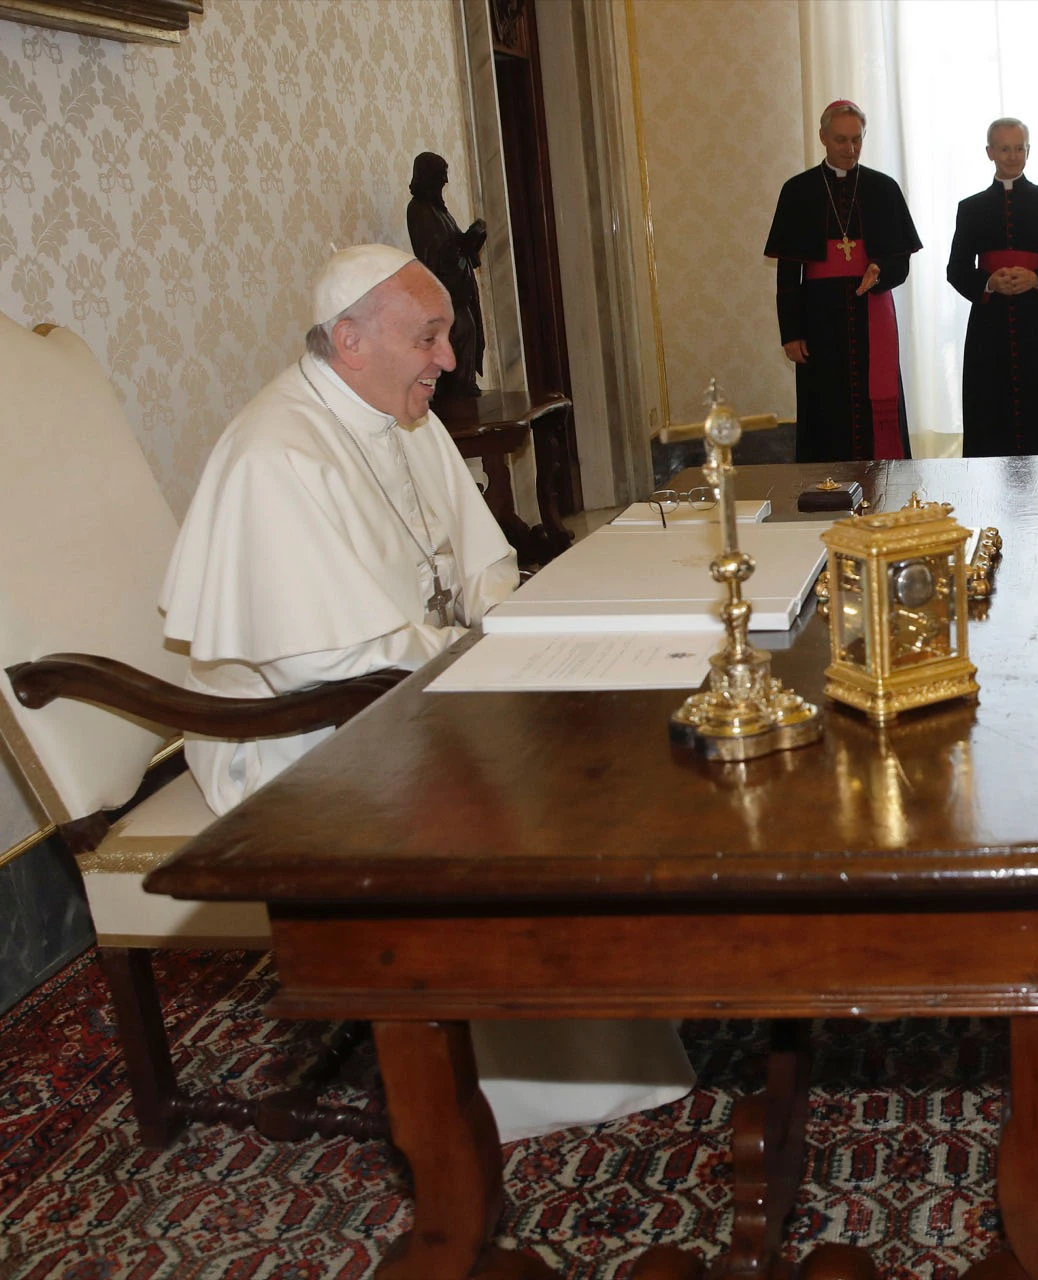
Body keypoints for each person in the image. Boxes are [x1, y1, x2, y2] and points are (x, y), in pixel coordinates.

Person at [160, 244, 694, 1141]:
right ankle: (528, 1081)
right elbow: (321, 665)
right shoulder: (275, 455)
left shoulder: (401, 417)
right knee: (520, 786)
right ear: (351, 339)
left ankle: (622, 998)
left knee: (606, 728)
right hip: (301, 741)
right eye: (431, 338)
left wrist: (511, 638)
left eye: (446, 337)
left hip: (411, 687)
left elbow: (483, 569)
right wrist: (486, 663)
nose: (449, 362)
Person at [764, 100, 922, 462]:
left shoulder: (883, 189)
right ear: (823, 137)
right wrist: (791, 332)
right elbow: (789, 273)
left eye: (856, 140)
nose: (850, 149)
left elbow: (901, 259)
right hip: (820, 316)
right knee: (825, 403)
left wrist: (880, 269)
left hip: (872, 312)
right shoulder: (798, 190)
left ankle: (884, 479)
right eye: (841, 140)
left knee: (875, 399)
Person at [946, 118, 1038, 457]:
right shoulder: (971, 207)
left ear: (1028, 151)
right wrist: (989, 281)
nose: (1012, 156)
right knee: (990, 405)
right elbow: (956, 269)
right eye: (1004, 149)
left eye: (1019, 148)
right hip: (989, 325)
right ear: (990, 152)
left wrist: (1037, 278)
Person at [406, 151, 488, 401]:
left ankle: (464, 389)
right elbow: (434, 253)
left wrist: (471, 239)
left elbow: (452, 244)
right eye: (440, 178)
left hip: (459, 290)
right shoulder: (418, 210)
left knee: (469, 332)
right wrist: (462, 244)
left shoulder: (439, 210)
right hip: (445, 292)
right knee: (460, 332)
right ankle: (457, 394)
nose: (445, 183)